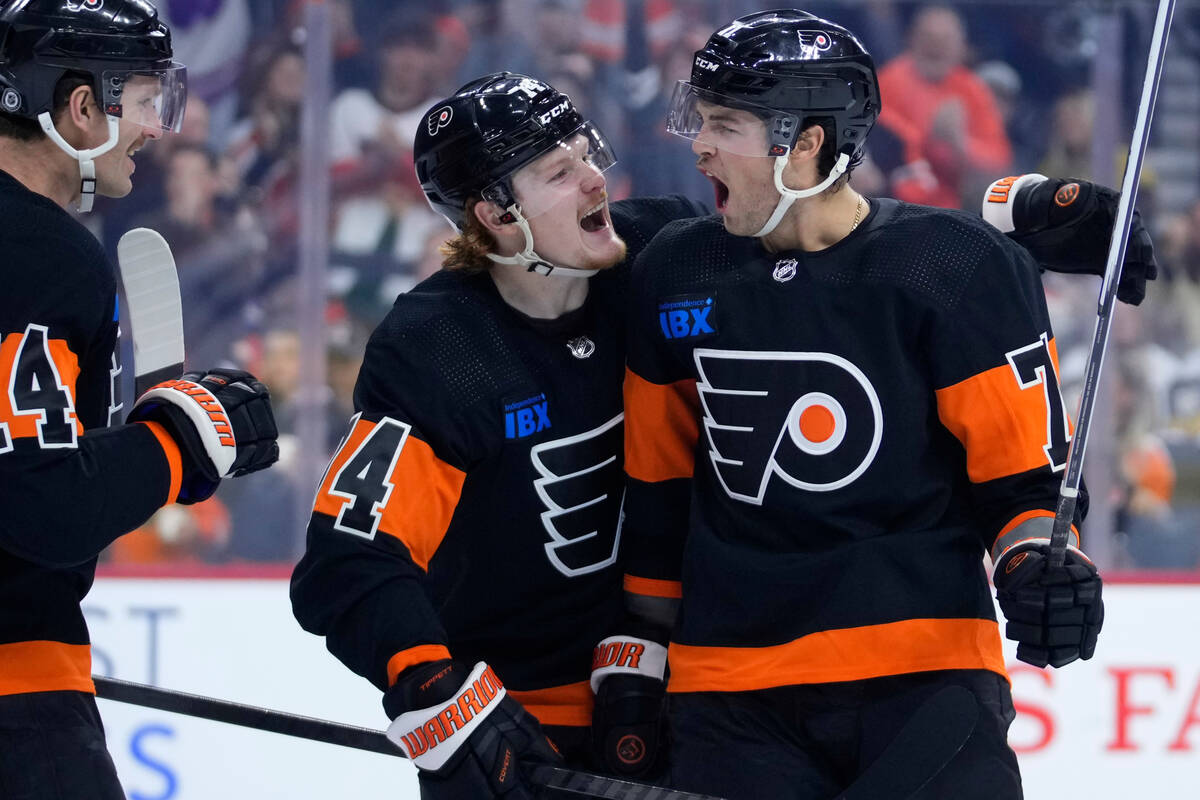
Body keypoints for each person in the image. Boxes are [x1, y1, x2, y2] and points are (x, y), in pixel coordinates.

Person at [290, 76, 1153, 800]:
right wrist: (437, 692)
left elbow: (840, 226)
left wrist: (1021, 211)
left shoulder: (661, 253)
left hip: (678, 696)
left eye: (589, 154)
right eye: (560, 173)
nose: (596, 182)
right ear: (494, 216)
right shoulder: (443, 350)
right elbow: (350, 560)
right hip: (518, 720)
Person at [620, 10, 1109, 798]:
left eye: (724, 125)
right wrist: (632, 663)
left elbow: (1022, 482)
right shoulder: (677, 270)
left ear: (804, 144)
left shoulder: (953, 270)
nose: (699, 144)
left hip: (923, 672)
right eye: (698, 120)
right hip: (731, 687)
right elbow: (656, 498)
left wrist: (1038, 564)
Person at [0, 2, 279, 798]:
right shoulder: (37, 251)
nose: (159, 127)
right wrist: (179, 442)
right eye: (148, 100)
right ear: (80, 107)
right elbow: (39, 502)